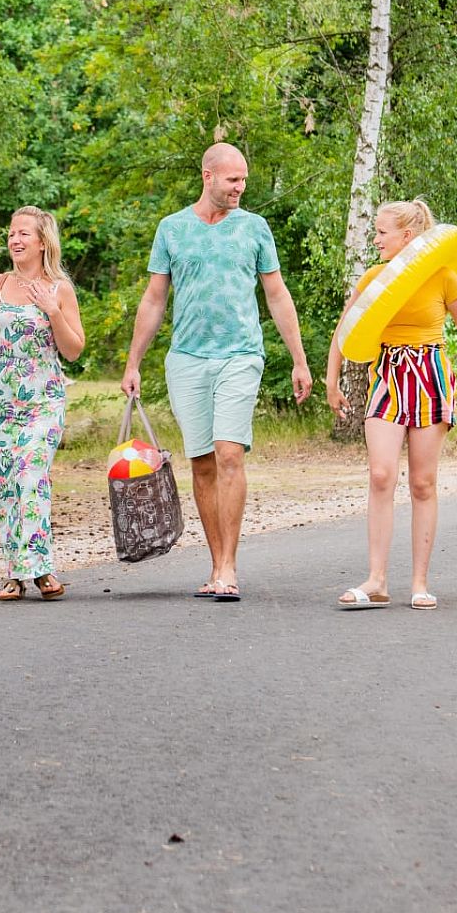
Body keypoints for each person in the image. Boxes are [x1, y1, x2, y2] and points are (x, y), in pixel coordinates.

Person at [120, 143, 312, 602]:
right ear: (208, 176)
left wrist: (300, 359)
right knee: (202, 463)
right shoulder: (172, 229)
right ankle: (215, 564)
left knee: (229, 454)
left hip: (240, 355)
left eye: (243, 179)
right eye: (233, 180)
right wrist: (133, 362)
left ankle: (229, 568)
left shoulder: (254, 229)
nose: (240, 187)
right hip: (186, 358)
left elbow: (277, 295)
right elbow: (153, 300)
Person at [325, 200, 457, 611]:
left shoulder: (443, 277)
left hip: (430, 373)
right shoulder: (375, 278)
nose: (375, 239)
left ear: (407, 237)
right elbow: (344, 329)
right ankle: (377, 580)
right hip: (389, 374)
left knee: (422, 483)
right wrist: (332, 379)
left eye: (382, 232)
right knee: (381, 475)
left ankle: (419, 582)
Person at [0, 206, 86, 601]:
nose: (15, 240)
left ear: (42, 242)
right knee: (5, 484)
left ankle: (41, 569)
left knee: (30, 478)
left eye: (23, 234)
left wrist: (52, 311)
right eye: (11, 234)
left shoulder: (59, 289)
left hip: (43, 400)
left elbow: (73, 350)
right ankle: (15, 574)